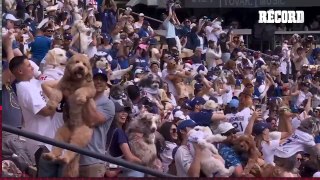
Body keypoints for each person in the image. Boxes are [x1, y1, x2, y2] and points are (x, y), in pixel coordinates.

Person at [79, 68, 116, 177]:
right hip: (74, 158)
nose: (99, 82)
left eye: (102, 80)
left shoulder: (108, 104)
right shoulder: (81, 98)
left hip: (93, 160)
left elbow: (91, 120)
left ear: (106, 84)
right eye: (95, 79)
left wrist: (87, 98)